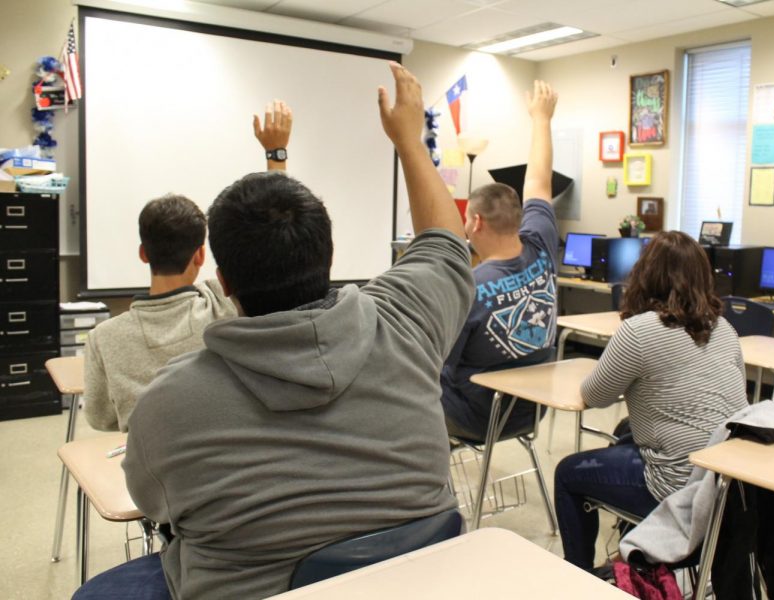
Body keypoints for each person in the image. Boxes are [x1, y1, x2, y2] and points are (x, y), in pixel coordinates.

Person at [73, 64, 474, 600]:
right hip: (412, 582)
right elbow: (446, 244)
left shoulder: (168, 403)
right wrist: (408, 140)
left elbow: (154, 506)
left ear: (223, 281)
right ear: (328, 256)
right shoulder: (406, 321)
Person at [82, 100, 292, 432]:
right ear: (200, 255)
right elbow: (271, 246)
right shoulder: (220, 311)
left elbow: (98, 418)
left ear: (143, 253)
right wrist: (276, 154)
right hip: (222, 459)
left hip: (147, 474)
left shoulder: (103, 338)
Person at [553, 230, 748, 572]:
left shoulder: (639, 332)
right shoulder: (724, 328)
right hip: (728, 486)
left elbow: (595, 395)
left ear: (644, 273)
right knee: (625, 428)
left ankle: (578, 577)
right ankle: (639, 554)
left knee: (567, 473)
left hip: (678, 487)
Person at [440, 80, 559, 441]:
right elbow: (540, 179)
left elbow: (439, 368)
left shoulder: (468, 286)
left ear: (476, 222)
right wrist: (542, 119)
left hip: (477, 419)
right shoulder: (541, 244)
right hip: (532, 410)